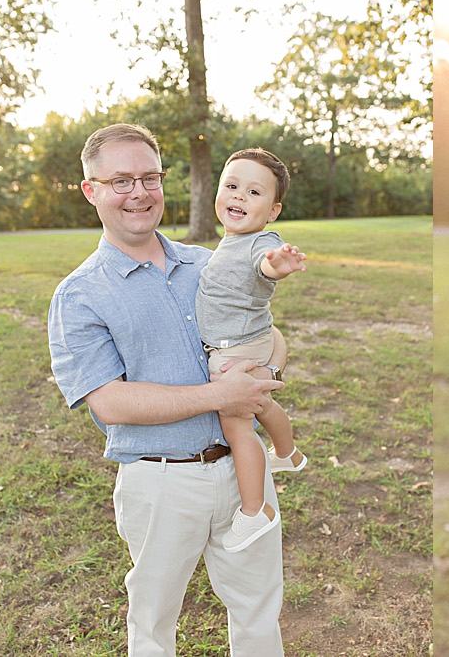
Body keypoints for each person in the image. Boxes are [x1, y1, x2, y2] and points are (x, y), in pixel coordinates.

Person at [48, 123, 289, 656]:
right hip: (160, 483)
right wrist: (222, 397)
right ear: (91, 190)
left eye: (149, 177)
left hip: (240, 466)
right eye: (121, 181)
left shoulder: (209, 262)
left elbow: (270, 335)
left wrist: (269, 373)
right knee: (154, 622)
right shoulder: (79, 295)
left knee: (258, 612)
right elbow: (110, 403)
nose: (139, 192)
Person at [197, 148, 309, 553]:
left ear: (273, 210)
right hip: (249, 339)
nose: (239, 196)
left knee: (238, 424)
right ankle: (288, 453)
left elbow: (266, 264)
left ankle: (253, 510)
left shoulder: (259, 243)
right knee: (262, 404)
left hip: (236, 349)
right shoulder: (230, 242)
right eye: (231, 186)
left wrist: (278, 264)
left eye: (254, 192)